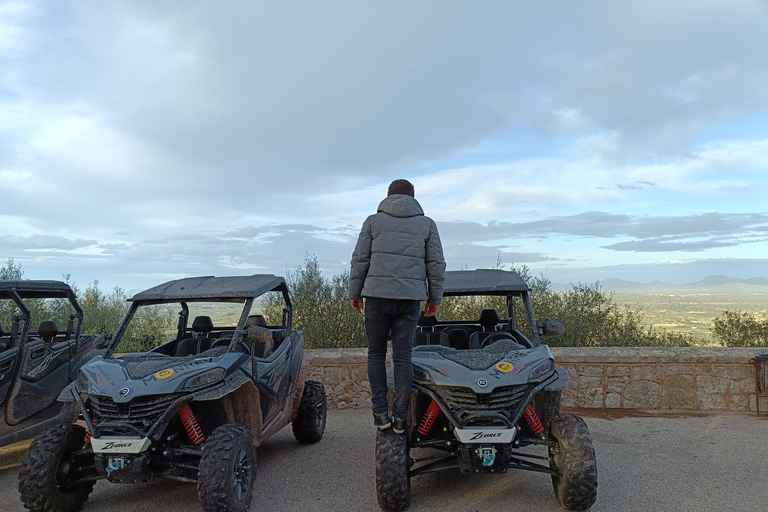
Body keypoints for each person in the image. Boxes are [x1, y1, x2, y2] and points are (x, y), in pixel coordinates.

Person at [349, 179, 446, 434]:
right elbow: (436, 264)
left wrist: (355, 293)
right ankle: (401, 417)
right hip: (409, 300)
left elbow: (360, 259)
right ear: (413, 197)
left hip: (377, 299)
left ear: (388, 196)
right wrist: (434, 299)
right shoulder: (427, 224)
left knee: (376, 354)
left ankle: (381, 414)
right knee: (403, 357)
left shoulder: (373, 221)